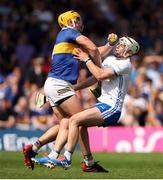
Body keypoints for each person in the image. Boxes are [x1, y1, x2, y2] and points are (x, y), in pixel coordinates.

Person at [23, 10, 117, 172]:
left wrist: (109, 45)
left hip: (53, 84)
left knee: (66, 122)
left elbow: (95, 51)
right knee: (80, 121)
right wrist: (99, 71)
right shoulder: (69, 32)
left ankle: (35, 148)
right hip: (60, 85)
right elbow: (92, 48)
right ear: (70, 22)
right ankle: (88, 162)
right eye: (77, 19)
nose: (81, 22)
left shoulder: (69, 41)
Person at [36, 36, 139, 169]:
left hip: (112, 108)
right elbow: (95, 77)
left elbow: (101, 75)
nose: (118, 46)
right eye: (118, 44)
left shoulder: (125, 64)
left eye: (122, 45)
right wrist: (74, 88)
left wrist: (86, 59)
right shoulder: (110, 59)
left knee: (74, 120)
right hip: (103, 104)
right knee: (79, 124)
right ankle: (88, 163)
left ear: (129, 52)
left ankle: (66, 158)